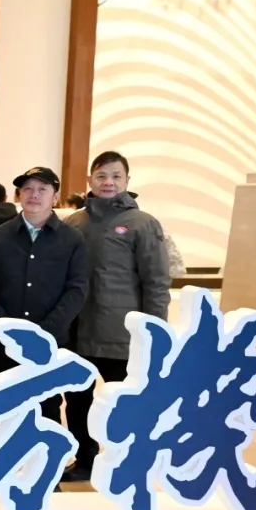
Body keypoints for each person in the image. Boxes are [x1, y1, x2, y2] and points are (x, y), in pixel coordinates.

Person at [61, 151, 171, 482]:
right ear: (90, 180)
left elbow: (156, 283)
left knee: (124, 404)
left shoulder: (143, 223)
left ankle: (128, 461)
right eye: (101, 176)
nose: (108, 182)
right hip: (78, 332)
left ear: (126, 180)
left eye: (115, 176)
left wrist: (155, 333)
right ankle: (85, 460)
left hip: (122, 335)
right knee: (77, 401)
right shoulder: (74, 222)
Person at [0, 168, 87, 453]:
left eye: (42, 189)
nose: (34, 195)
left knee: (47, 408)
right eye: (28, 189)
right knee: (4, 408)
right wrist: (9, 331)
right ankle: (0, 470)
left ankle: (46, 470)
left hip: (51, 344)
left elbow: (77, 289)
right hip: (5, 344)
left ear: (55, 196)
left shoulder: (72, 239)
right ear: (18, 195)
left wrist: (43, 334)